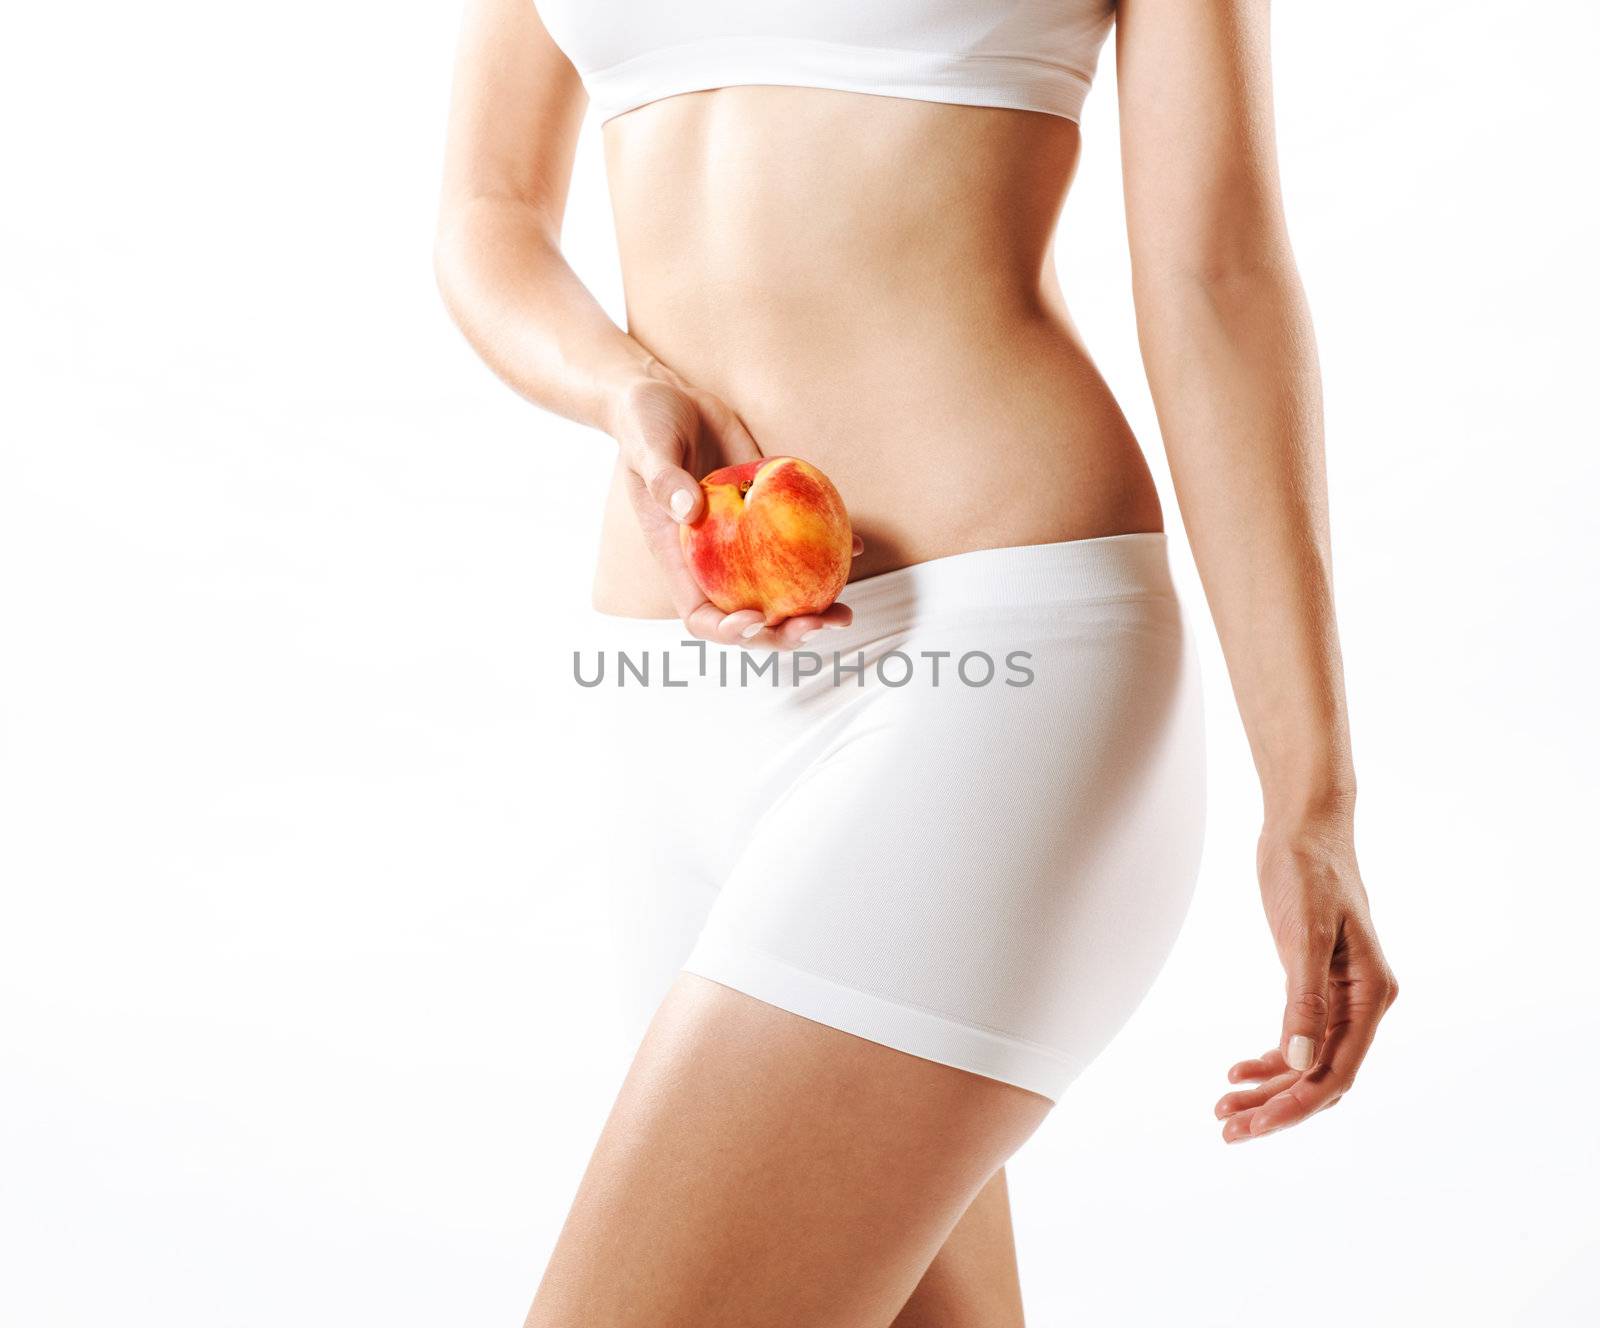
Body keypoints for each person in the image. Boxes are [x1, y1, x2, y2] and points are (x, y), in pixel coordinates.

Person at [434, 1, 1400, 1323]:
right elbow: (486, 209)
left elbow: (1215, 275)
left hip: (999, 655)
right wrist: (620, 387)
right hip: (663, 689)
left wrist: (1313, 799)